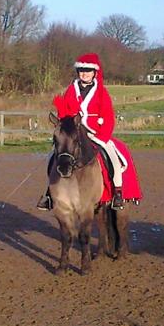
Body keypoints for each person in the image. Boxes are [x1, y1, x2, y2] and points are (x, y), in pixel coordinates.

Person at [36, 53, 128, 211]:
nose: (84, 74)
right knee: (54, 155)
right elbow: (64, 112)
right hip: (74, 132)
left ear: (94, 73)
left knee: (112, 155)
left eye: (87, 71)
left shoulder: (101, 92)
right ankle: (49, 193)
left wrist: (103, 136)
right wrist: (64, 126)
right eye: (81, 71)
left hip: (95, 132)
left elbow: (108, 116)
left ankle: (117, 192)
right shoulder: (71, 90)